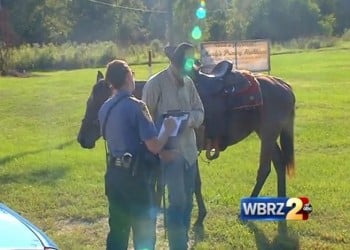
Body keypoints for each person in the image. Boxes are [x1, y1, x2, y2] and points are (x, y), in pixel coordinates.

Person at [98, 59, 176, 250]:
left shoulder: (104, 108)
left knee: (117, 230)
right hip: (136, 178)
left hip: (114, 176)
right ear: (127, 77)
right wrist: (167, 129)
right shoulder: (137, 106)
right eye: (131, 73)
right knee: (144, 232)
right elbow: (154, 146)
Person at [142, 42, 204, 250]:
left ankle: (182, 240)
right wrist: (160, 149)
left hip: (189, 154)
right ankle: (179, 246)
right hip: (169, 156)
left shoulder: (189, 84)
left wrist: (189, 121)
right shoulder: (155, 84)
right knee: (177, 202)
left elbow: (200, 111)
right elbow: (145, 121)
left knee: (188, 202)